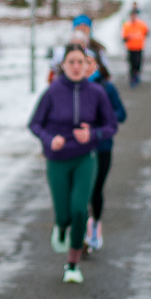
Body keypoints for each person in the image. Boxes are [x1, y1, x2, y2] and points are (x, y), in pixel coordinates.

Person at [28, 42, 118, 283]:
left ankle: (72, 264)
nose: (77, 67)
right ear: (63, 66)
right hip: (57, 160)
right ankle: (61, 225)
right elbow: (35, 124)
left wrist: (93, 135)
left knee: (80, 210)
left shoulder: (96, 93)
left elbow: (111, 125)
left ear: (88, 65)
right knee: (64, 214)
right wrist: (50, 139)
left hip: (85, 158)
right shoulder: (53, 92)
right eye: (72, 62)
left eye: (81, 62)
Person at [84, 54, 126, 251]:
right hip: (80, 148)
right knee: (80, 191)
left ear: (97, 65)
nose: (84, 66)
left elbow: (121, 114)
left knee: (95, 189)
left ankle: (95, 225)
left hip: (102, 146)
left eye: (89, 62)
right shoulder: (74, 88)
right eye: (80, 62)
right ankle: (82, 230)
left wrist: (105, 116)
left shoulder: (107, 87)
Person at [121, 7, 149, 87]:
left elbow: (146, 32)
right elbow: (123, 38)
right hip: (130, 48)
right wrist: (128, 38)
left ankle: (137, 76)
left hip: (139, 47)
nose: (133, 17)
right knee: (131, 63)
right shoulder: (126, 25)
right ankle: (132, 78)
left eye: (134, 15)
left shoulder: (141, 24)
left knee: (138, 63)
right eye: (132, 15)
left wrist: (140, 37)